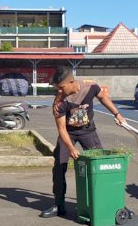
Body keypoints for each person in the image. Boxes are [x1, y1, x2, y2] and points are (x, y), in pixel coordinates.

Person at [40, 67, 126, 218]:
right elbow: (61, 129)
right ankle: (58, 205)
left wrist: (117, 114)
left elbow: (103, 98)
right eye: (57, 89)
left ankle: (109, 202)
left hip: (88, 131)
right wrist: (70, 147)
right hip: (68, 133)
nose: (59, 91)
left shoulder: (90, 87)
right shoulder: (59, 103)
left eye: (61, 87)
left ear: (71, 82)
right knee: (59, 166)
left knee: (100, 164)